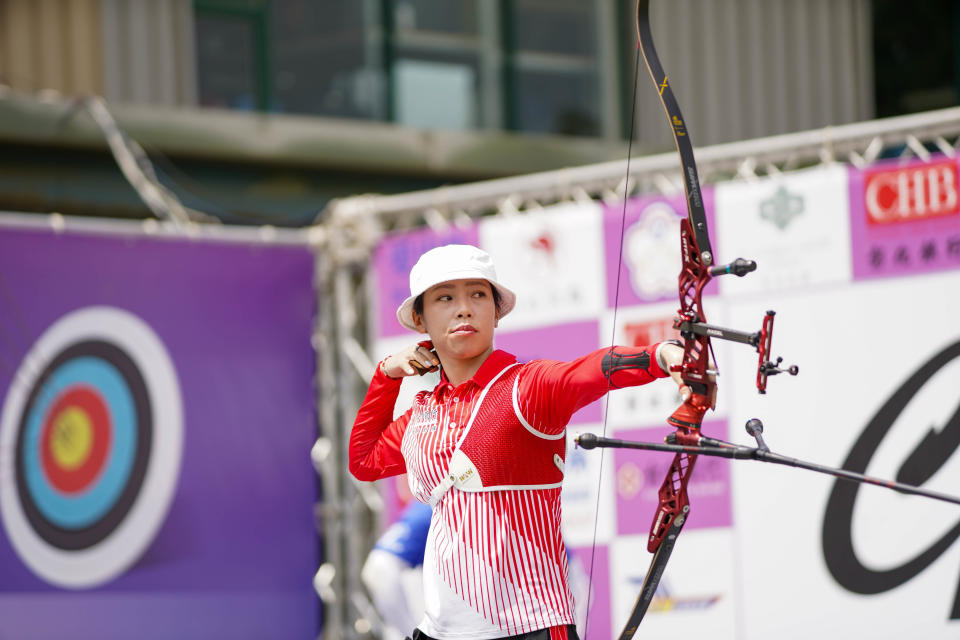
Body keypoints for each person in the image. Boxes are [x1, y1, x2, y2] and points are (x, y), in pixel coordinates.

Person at [349, 244, 693, 640]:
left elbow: (590, 371)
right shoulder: (425, 411)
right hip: (441, 633)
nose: (464, 308)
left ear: (496, 312)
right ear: (420, 320)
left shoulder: (527, 387)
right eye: (445, 297)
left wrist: (662, 354)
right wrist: (386, 373)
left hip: (529, 627)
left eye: (478, 295)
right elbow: (365, 460)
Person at [362, 500, 432, 640]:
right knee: (410, 629)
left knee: (398, 629)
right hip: (389, 569)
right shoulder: (436, 509)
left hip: (378, 563)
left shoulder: (422, 504)